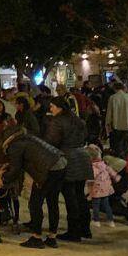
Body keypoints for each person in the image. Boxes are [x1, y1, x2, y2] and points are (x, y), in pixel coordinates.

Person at [1, 125, 67, 248]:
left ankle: (37, 237)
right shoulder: (28, 138)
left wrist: (3, 178)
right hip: (61, 163)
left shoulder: (15, 146)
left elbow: (15, 170)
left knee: (35, 203)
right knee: (52, 202)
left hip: (48, 169)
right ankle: (52, 237)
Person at [44, 96, 93, 242]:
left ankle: (74, 231)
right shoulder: (77, 119)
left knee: (70, 196)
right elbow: (85, 135)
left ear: (59, 108)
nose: (50, 109)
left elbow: (51, 141)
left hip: (68, 159)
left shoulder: (57, 122)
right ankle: (85, 229)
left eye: (52, 106)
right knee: (80, 195)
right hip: (82, 157)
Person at [86, 144, 120, 227]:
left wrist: (87, 184)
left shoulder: (93, 167)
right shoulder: (104, 164)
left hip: (97, 189)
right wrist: (116, 177)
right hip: (106, 188)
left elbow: (91, 178)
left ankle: (96, 220)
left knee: (96, 205)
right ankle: (111, 221)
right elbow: (111, 172)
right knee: (106, 205)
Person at [105, 81, 128, 158]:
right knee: (127, 145)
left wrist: (107, 125)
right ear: (123, 88)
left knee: (118, 146)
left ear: (114, 88)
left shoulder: (112, 98)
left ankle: (121, 161)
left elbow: (109, 113)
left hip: (117, 126)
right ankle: (127, 159)